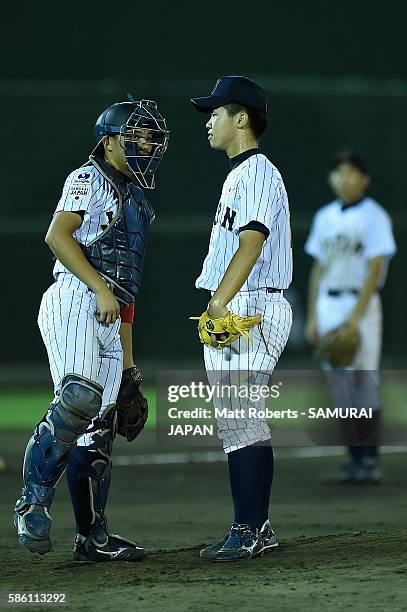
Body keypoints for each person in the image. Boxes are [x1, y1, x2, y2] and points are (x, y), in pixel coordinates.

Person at [14, 97, 169, 560]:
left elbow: (126, 297)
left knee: (99, 428)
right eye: (136, 135)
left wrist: (130, 369)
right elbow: (58, 236)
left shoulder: (139, 199)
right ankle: (32, 503)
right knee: (79, 396)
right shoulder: (88, 178)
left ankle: (92, 538)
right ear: (108, 140)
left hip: (109, 311)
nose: (145, 143)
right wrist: (99, 286)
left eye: (150, 137)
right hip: (76, 298)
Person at [190, 76, 293, 562]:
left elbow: (252, 241)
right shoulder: (245, 173)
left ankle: (247, 529)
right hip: (248, 302)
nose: (208, 120)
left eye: (216, 112)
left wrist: (218, 303)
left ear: (242, 119)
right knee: (245, 421)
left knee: (238, 419)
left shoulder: (253, 172)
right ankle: (258, 527)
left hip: (249, 305)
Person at [304, 150, 396, 482]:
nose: (342, 179)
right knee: (340, 387)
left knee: (364, 382)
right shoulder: (325, 216)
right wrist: (313, 316)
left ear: (364, 178)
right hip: (329, 304)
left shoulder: (375, 216)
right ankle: (354, 458)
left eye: (350, 172)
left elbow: (374, 270)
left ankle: (370, 460)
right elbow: (318, 268)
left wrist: (355, 319)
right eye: (337, 173)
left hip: (361, 304)